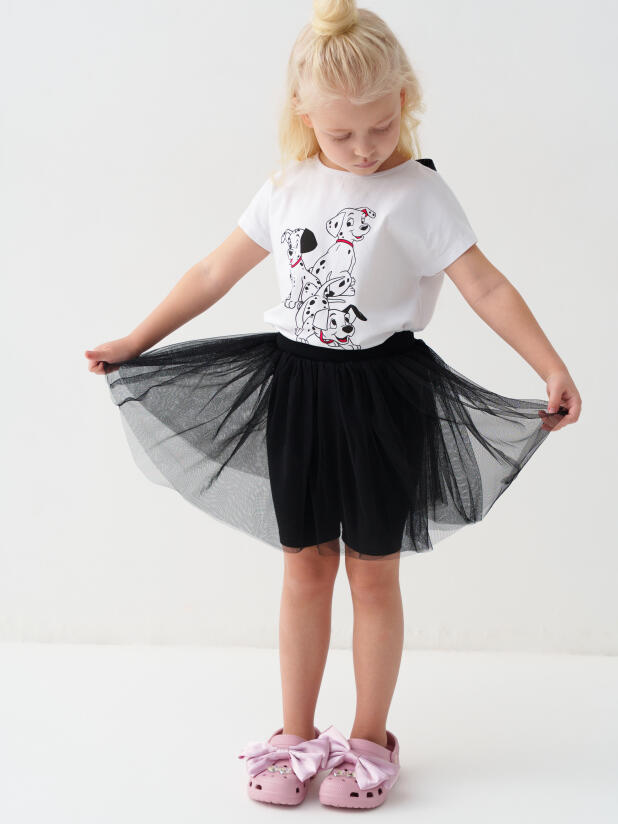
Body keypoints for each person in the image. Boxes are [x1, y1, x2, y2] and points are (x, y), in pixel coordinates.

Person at [84, 0, 581, 811]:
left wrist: (549, 363)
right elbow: (213, 271)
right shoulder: (287, 185)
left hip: (385, 396)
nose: (363, 148)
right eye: (342, 133)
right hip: (298, 390)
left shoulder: (420, 192)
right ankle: (295, 736)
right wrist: (137, 339)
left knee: (373, 574)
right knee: (305, 568)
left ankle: (369, 740)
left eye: (380, 127)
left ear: (403, 101)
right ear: (302, 111)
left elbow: (485, 285)